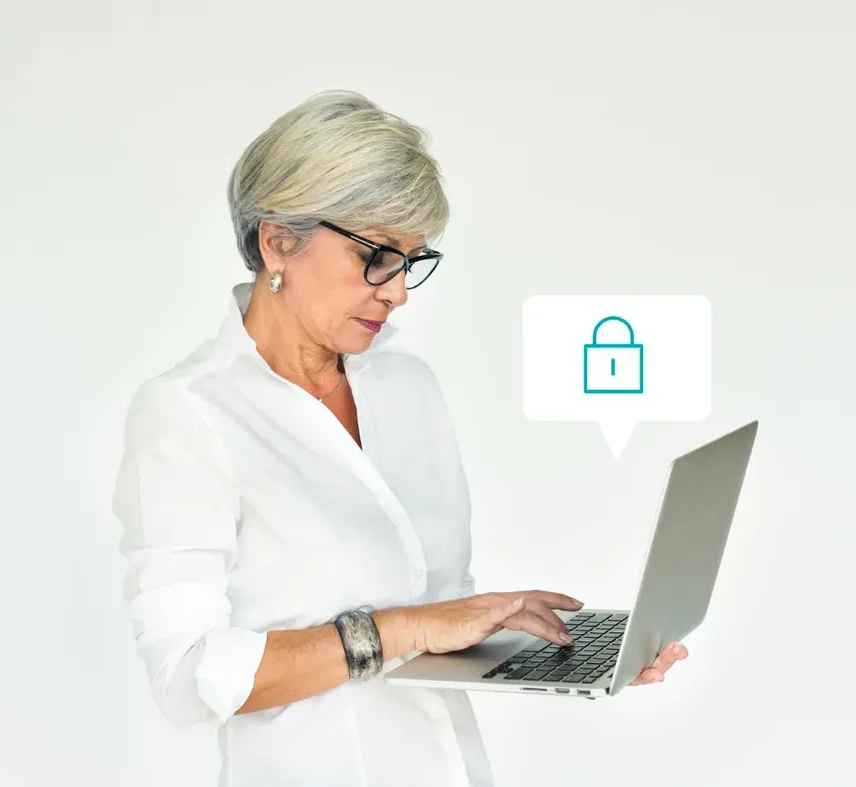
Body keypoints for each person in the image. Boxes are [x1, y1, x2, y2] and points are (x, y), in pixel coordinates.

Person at [110, 89, 687, 787]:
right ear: (277, 241)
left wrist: (571, 652)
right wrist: (404, 627)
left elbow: (437, 619)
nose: (399, 291)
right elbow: (186, 672)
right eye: (377, 256)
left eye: (412, 260)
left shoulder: (405, 384)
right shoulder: (189, 412)